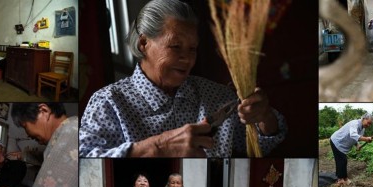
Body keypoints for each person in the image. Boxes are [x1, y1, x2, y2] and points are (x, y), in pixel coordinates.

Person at [79, 0, 287, 158]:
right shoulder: (109, 103)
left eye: (193, 49)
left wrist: (264, 117)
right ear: (144, 43)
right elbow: (83, 162)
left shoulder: (218, 96)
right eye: (175, 46)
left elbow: (262, 144)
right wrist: (158, 147)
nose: (187, 58)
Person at [0, 103, 78, 187]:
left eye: (25, 126)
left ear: (43, 111)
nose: (28, 134)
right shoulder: (71, 130)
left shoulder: (70, 134)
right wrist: (23, 155)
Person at [330, 113, 373, 185]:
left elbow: (356, 138)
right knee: (342, 160)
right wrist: (366, 138)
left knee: (341, 160)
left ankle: (342, 178)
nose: (368, 125)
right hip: (337, 141)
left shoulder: (362, 129)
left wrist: (357, 145)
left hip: (342, 144)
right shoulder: (355, 123)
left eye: (370, 124)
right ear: (363, 119)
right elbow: (353, 134)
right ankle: (342, 179)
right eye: (368, 123)